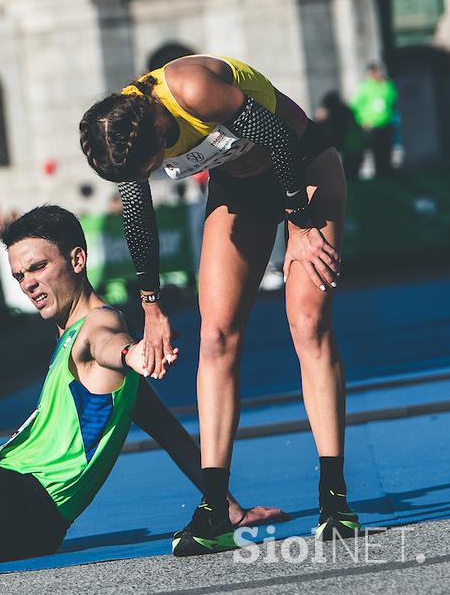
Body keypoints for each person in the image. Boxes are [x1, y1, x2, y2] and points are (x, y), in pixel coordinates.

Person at [0, 206, 283, 564]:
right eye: (19, 276)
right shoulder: (74, 335)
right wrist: (226, 506)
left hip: (5, 510)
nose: (28, 284)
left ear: (77, 259)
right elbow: (169, 433)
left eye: (39, 267)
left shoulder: (97, 325)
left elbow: (110, 345)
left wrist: (133, 354)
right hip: (25, 519)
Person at [79, 54, 360, 556]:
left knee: (307, 322)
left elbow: (278, 139)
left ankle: (334, 500)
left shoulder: (191, 90)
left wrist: (299, 226)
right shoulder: (121, 130)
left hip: (304, 166)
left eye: (147, 169)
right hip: (240, 188)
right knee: (216, 335)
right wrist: (152, 305)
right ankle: (214, 508)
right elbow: (138, 215)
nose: (145, 179)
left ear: (160, 135)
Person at [350, 63, 399, 177]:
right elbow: (355, 106)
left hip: (385, 125)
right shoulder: (365, 87)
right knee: (373, 154)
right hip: (370, 127)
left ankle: (386, 175)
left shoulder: (387, 85)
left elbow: (393, 99)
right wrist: (362, 121)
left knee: (386, 154)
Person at [315, 91, 364, 180]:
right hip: (355, 146)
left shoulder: (338, 114)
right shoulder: (346, 111)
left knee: (348, 177)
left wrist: (319, 120)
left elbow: (337, 133)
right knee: (352, 176)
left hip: (349, 147)